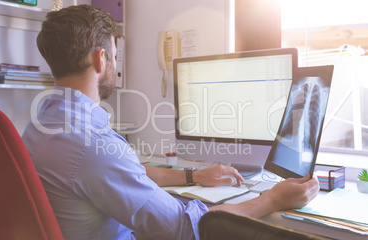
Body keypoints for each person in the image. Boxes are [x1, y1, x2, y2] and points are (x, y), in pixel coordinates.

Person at [22, 4, 320, 240]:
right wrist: (271, 200)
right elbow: (187, 230)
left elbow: (121, 171)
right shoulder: (92, 144)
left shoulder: (41, 124)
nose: (114, 63)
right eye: (115, 56)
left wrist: (192, 176)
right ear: (101, 60)